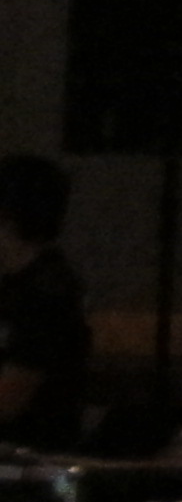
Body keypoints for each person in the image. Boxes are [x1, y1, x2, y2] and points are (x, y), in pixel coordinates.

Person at [0, 154, 91, 449]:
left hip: (28, 455)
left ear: (8, 218)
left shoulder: (46, 297)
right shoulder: (18, 285)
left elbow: (7, 402)